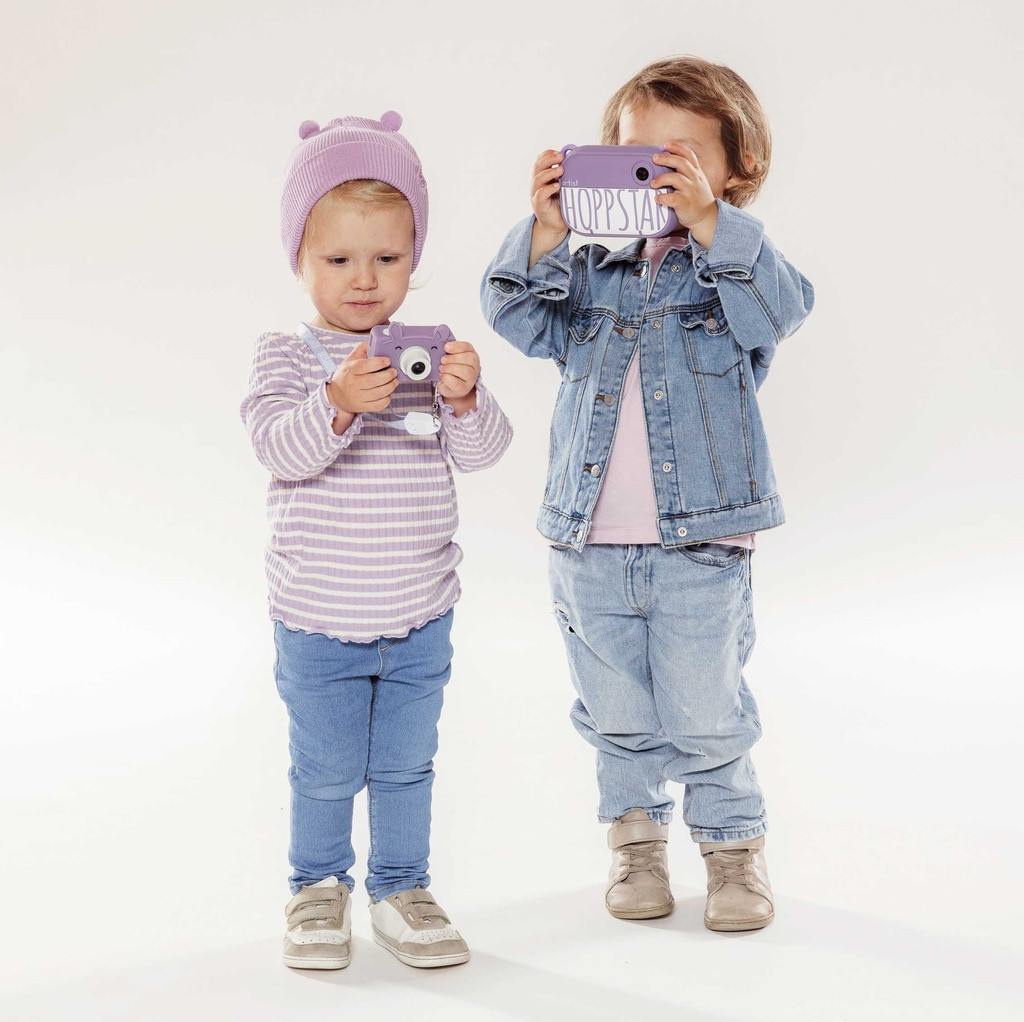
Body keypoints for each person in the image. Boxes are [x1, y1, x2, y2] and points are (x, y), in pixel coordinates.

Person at [480, 56, 813, 932]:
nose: (656, 174)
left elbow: (781, 312)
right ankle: (636, 843)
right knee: (617, 712)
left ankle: (732, 849)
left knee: (706, 712)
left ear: (736, 168)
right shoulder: (592, 271)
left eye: (681, 157)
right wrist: (544, 232)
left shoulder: (731, 273)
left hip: (700, 542)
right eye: (636, 156)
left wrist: (710, 224)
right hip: (588, 543)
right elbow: (516, 317)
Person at [241, 111, 512, 969]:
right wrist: (336, 402)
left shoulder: (428, 357)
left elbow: (485, 455)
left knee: (405, 768)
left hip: (420, 615)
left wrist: (465, 399)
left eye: (388, 259)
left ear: (414, 257)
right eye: (338, 260)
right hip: (318, 618)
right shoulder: (287, 357)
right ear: (299, 258)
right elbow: (277, 449)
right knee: (324, 771)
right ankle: (317, 888)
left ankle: (402, 888)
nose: (364, 280)